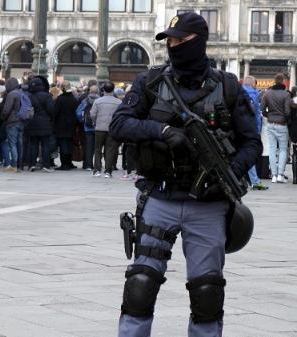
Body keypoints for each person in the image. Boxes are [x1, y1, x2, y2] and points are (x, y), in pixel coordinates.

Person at [110, 12, 261, 337]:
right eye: (171, 41)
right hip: (159, 197)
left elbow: (252, 143)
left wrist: (228, 170)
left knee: (207, 292)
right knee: (140, 286)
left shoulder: (228, 87)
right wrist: (162, 130)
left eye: (181, 40)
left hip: (209, 205)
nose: (174, 46)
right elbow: (119, 124)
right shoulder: (150, 82)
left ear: (199, 41)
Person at [261, 73, 291, 183]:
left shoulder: (267, 93)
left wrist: (268, 116)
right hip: (282, 124)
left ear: (274, 81)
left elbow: (262, 108)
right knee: (283, 150)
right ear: (282, 81)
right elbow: (287, 111)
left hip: (270, 124)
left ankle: (273, 175)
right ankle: (280, 175)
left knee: (272, 149)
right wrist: (286, 119)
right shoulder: (286, 94)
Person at [90, 81, 122, 178]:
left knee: (97, 149)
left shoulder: (98, 101)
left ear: (103, 90)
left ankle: (97, 170)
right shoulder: (118, 102)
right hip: (112, 129)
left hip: (99, 128)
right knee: (110, 149)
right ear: (113, 90)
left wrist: (95, 122)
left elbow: (92, 114)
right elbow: (120, 116)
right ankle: (108, 171)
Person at [242, 76, 268, 190]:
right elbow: (254, 114)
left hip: (240, 128)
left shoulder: (239, 92)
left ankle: (249, 180)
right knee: (250, 154)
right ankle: (255, 182)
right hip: (250, 129)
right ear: (252, 83)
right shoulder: (253, 94)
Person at [53, 80, 79, 170]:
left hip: (61, 125)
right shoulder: (74, 99)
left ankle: (64, 164)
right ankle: (69, 162)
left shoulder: (60, 99)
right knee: (70, 143)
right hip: (72, 125)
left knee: (63, 144)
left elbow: (55, 113)